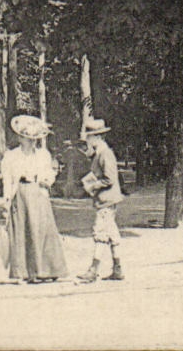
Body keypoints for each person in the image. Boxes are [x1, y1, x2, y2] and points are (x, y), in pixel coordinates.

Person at [1, 114, 70, 283]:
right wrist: (7, 202)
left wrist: (48, 180)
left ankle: (47, 270)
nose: (32, 142)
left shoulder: (42, 154)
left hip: (38, 193)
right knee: (22, 230)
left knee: (42, 229)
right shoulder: (11, 156)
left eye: (34, 139)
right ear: (20, 138)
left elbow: (49, 172)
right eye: (28, 138)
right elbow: (7, 180)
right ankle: (23, 272)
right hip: (21, 193)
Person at [76, 117, 125, 283]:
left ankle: (93, 270)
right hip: (107, 199)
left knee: (100, 233)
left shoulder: (105, 154)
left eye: (89, 137)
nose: (87, 140)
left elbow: (109, 178)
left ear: (97, 137)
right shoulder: (100, 153)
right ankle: (117, 268)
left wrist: (93, 185)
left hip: (106, 199)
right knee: (111, 233)